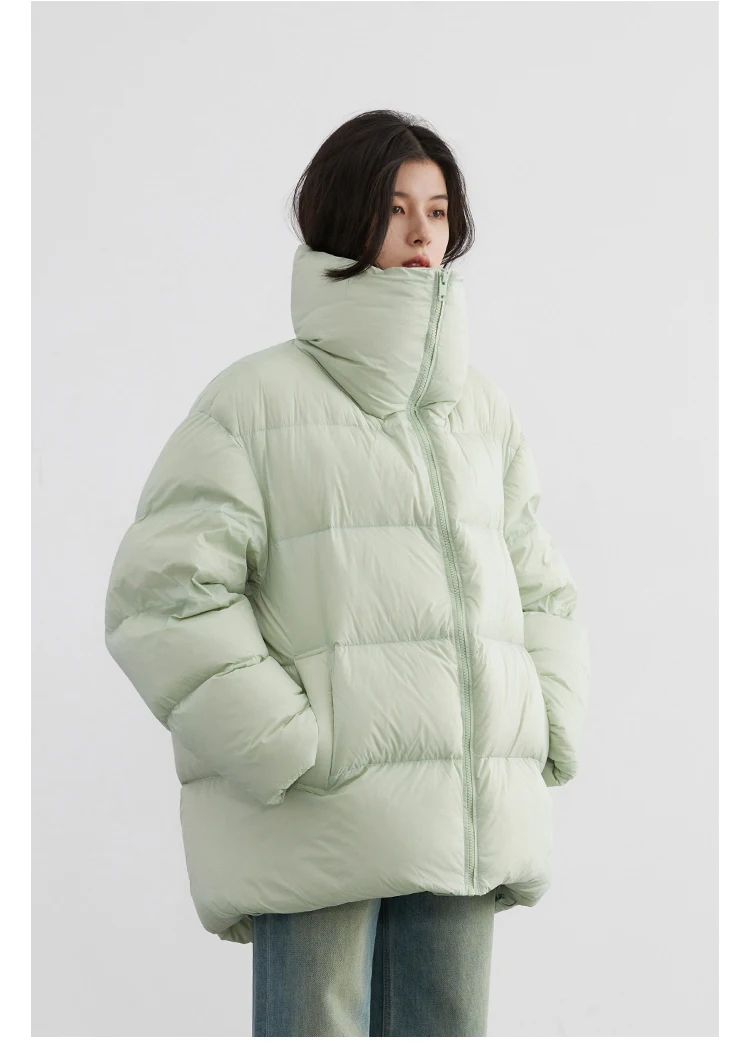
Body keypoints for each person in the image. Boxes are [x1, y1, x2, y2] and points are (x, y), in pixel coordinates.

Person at [104, 109, 591, 1037]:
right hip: (320, 820)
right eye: (395, 207)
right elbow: (160, 597)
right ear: (342, 216)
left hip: (464, 813)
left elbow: (541, 585)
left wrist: (545, 724)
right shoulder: (255, 402)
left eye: (437, 210)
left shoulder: (480, 410)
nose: (420, 231)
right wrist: (285, 744)